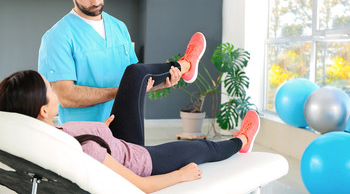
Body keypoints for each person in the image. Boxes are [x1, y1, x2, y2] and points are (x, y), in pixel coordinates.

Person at [1, 36, 260, 193]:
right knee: (204, 148)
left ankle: (185, 66)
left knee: (135, 73)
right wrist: (181, 175)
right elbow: (139, 186)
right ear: (44, 109)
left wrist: (100, 129)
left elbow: (84, 141)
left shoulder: (47, 135)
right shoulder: (84, 150)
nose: (55, 89)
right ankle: (243, 142)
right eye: (50, 88)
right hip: (139, 158)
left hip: (110, 140)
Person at [38, 0, 182, 124]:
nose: (96, 1)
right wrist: (119, 92)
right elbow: (66, 97)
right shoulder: (57, 37)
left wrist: (160, 84)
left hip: (127, 126)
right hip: (85, 136)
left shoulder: (119, 27)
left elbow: (135, 81)